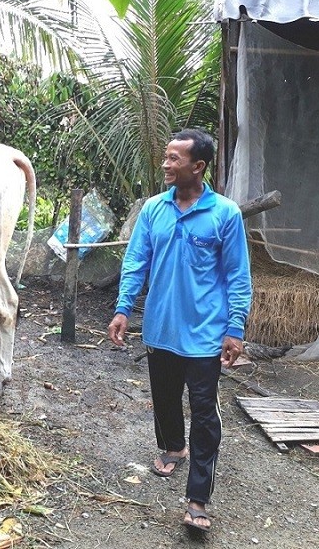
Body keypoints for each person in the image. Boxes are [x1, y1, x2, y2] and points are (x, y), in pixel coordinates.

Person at [107, 129, 252, 533]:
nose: (166, 164)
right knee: (165, 398)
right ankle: (173, 446)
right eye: (167, 157)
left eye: (174, 159)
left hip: (206, 333)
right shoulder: (154, 209)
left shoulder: (225, 214)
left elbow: (238, 276)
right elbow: (136, 261)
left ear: (198, 166)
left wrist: (235, 328)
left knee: (204, 412)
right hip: (160, 328)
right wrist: (123, 309)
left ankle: (197, 499)